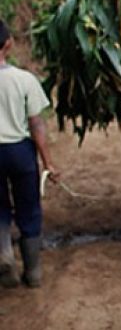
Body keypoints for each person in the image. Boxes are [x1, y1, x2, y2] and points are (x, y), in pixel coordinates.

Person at [0, 19, 59, 288]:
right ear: (8, 45)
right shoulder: (25, 80)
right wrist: (48, 163)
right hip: (20, 152)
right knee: (29, 207)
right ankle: (33, 272)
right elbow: (36, 125)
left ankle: (5, 258)